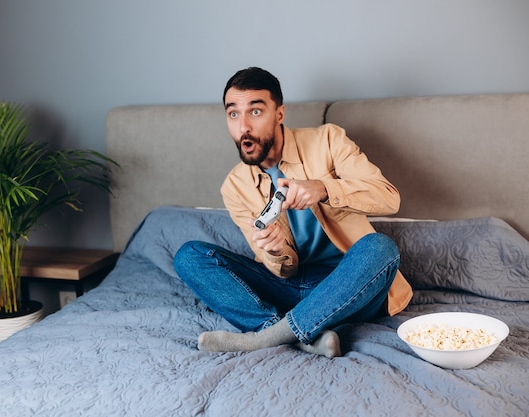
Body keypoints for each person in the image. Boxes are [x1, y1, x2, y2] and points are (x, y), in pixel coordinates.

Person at [173, 67, 412, 358]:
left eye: (256, 111)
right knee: (189, 256)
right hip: (290, 288)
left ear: (279, 114)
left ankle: (264, 337)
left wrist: (324, 189)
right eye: (233, 114)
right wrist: (274, 251)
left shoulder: (329, 141)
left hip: (350, 284)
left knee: (381, 248)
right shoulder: (235, 186)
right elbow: (283, 271)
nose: (243, 126)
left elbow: (388, 197)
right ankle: (300, 334)